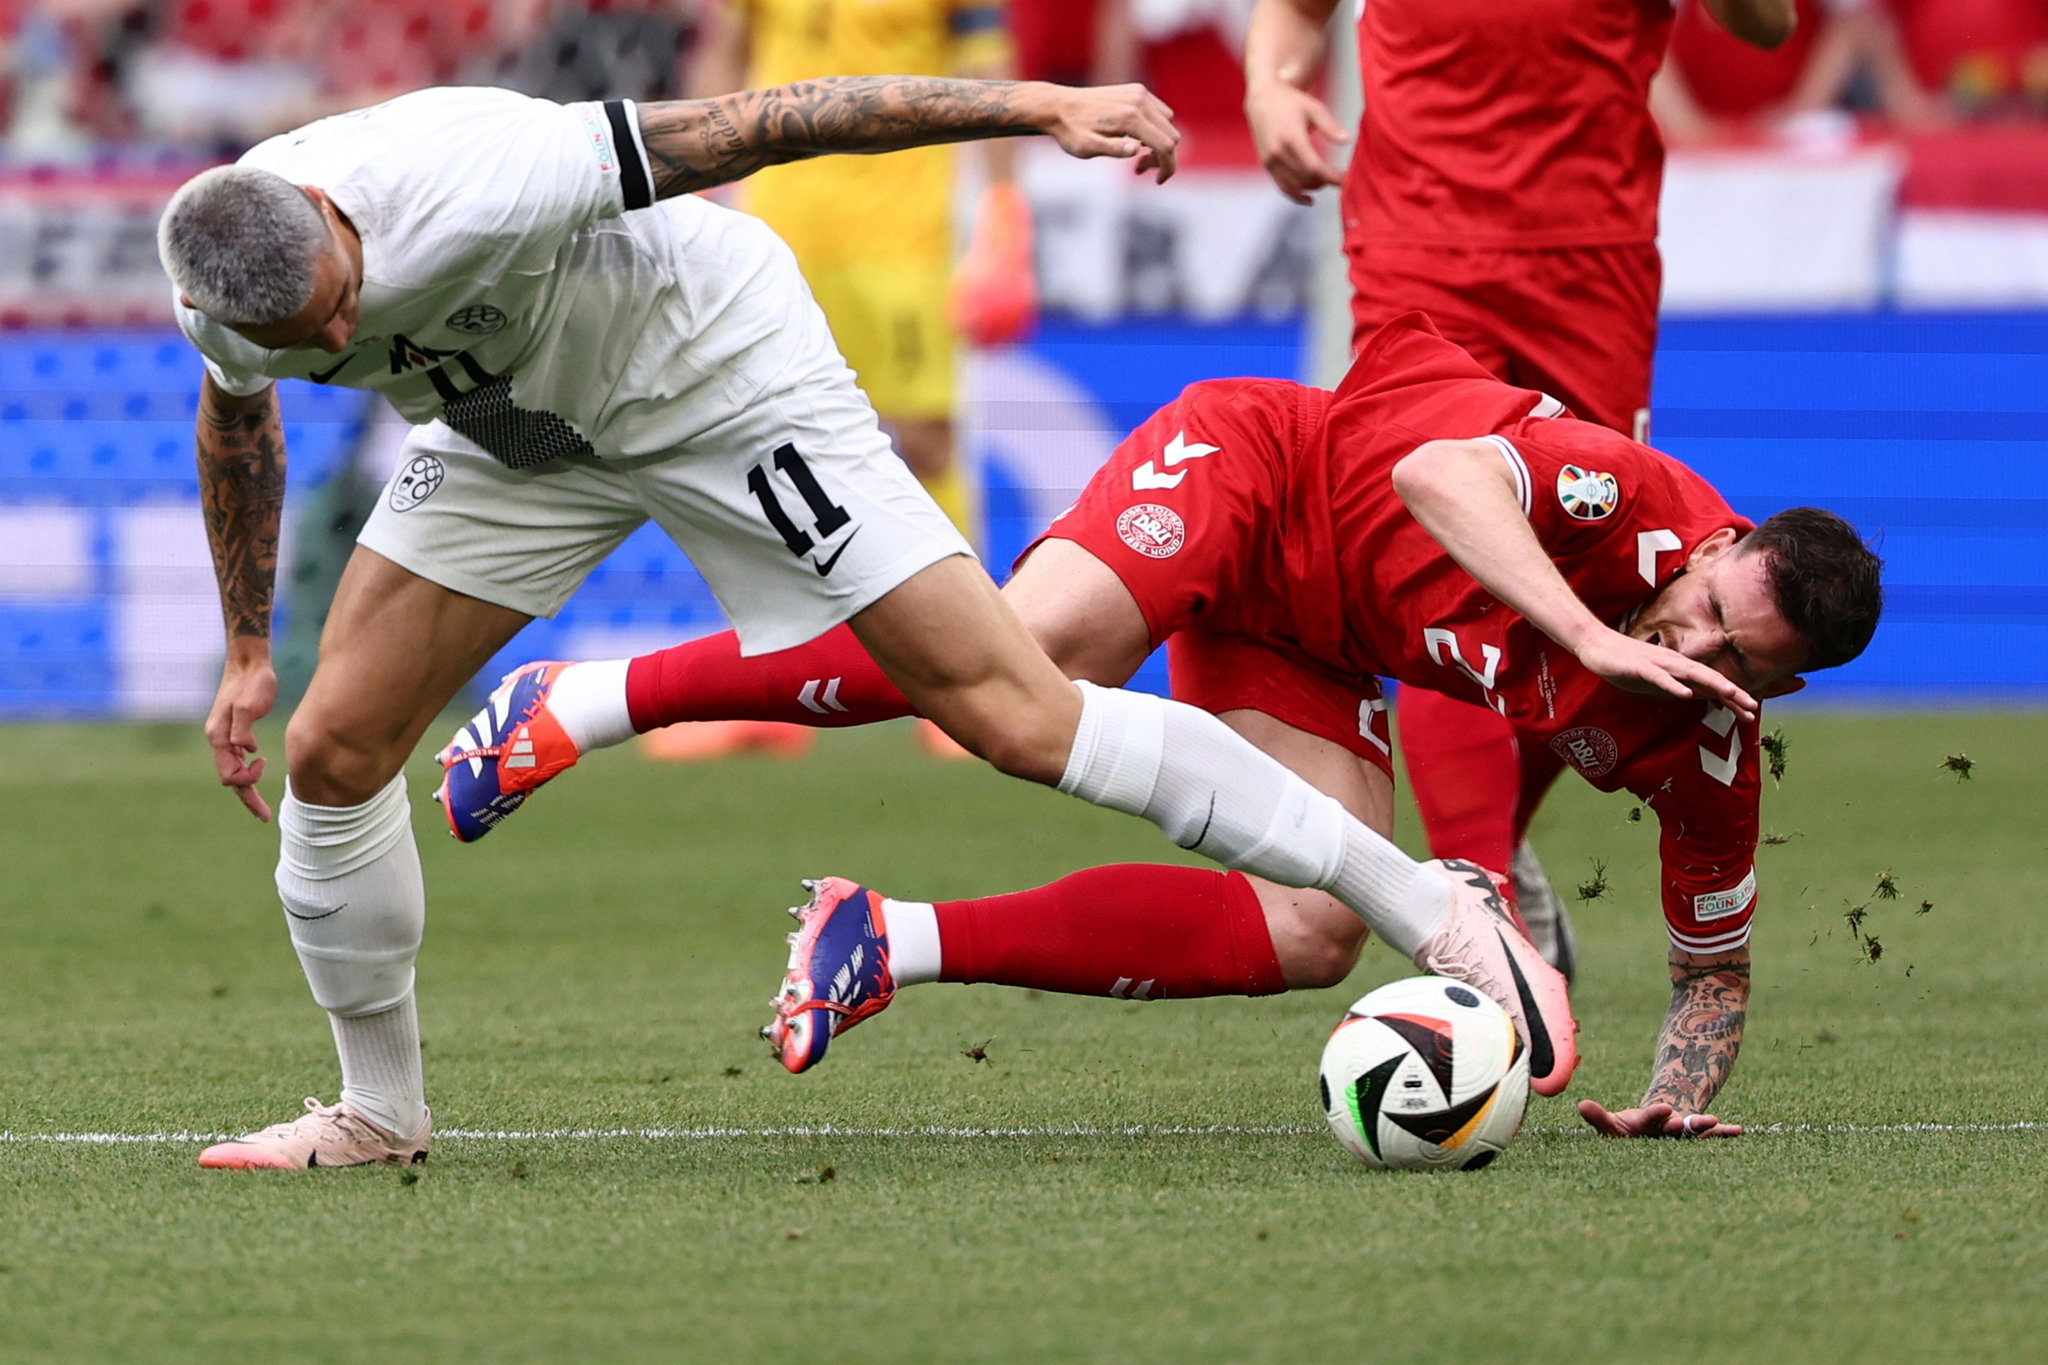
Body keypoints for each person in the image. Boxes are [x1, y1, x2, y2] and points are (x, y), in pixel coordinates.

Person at [162, 77, 1575, 1170]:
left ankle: (1432, 909)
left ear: (338, 221)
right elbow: (239, 432)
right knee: (334, 747)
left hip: (706, 367)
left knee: (1014, 709)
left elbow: (774, 120)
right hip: (515, 434)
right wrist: (242, 649)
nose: (336, 328)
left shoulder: (469, 171)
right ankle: (377, 1114)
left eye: (344, 299)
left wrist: (1044, 110)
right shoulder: (228, 292)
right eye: (312, 334)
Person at [438, 313, 1883, 1138]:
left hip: (1313, 640)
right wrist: (1577, 629)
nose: (1685, 641)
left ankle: (891, 939)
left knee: (1309, 933)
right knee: (1018, 655)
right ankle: (580, 700)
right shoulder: (1621, 498)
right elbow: (1447, 474)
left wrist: (1676, 1092)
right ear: (1715, 544)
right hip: (1260, 471)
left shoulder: (1705, 752)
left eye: (1728, 655)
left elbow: (1714, 968)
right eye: (1701, 603)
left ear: (1777, 688)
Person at [1240, 0, 1802, 987]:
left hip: (1588, 249)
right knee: (1442, 547)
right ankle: (1480, 900)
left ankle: (1494, 845)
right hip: (1417, 234)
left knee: (1594, 582)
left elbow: (1762, 27)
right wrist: (1267, 83)